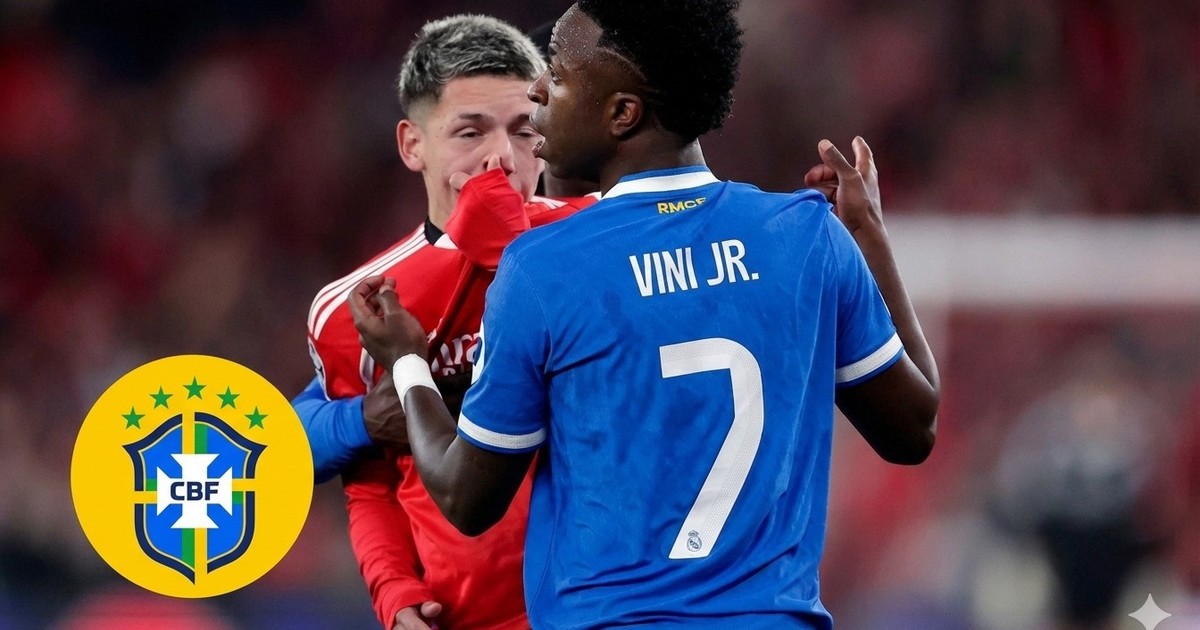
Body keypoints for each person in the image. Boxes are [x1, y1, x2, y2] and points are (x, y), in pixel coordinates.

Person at [349, 1, 940, 628]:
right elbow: (913, 429)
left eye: (559, 73)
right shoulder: (806, 235)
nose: (538, 89)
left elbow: (465, 498)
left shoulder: (544, 267)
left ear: (622, 114)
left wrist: (407, 362)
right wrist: (868, 235)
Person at [293, 15, 595, 630]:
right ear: (413, 146)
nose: (500, 157)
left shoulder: (600, 242)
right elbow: (371, 484)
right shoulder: (358, 307)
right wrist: (394, 592)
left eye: (523, 130)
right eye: (470, 132)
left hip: (607, 610)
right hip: (464, 618)